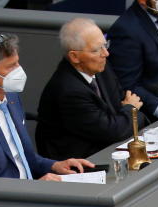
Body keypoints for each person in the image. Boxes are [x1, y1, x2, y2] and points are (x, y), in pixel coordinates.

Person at [0, 33, 93, 180]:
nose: (19, 70)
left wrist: (55, 165)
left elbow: (23, 157)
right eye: (11, 66)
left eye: (17, 62)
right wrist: (34, 189)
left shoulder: (11, 97)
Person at [36, 18, 148, 160]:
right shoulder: (69, 91)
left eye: (105, 45)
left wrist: (124, 115)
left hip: (109, 149)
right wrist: (131, 109)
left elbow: (118, 109)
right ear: (74, 56)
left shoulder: (100, 68)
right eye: (96, 49)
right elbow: (113, 132)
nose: (106, 53)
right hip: (82, 163)